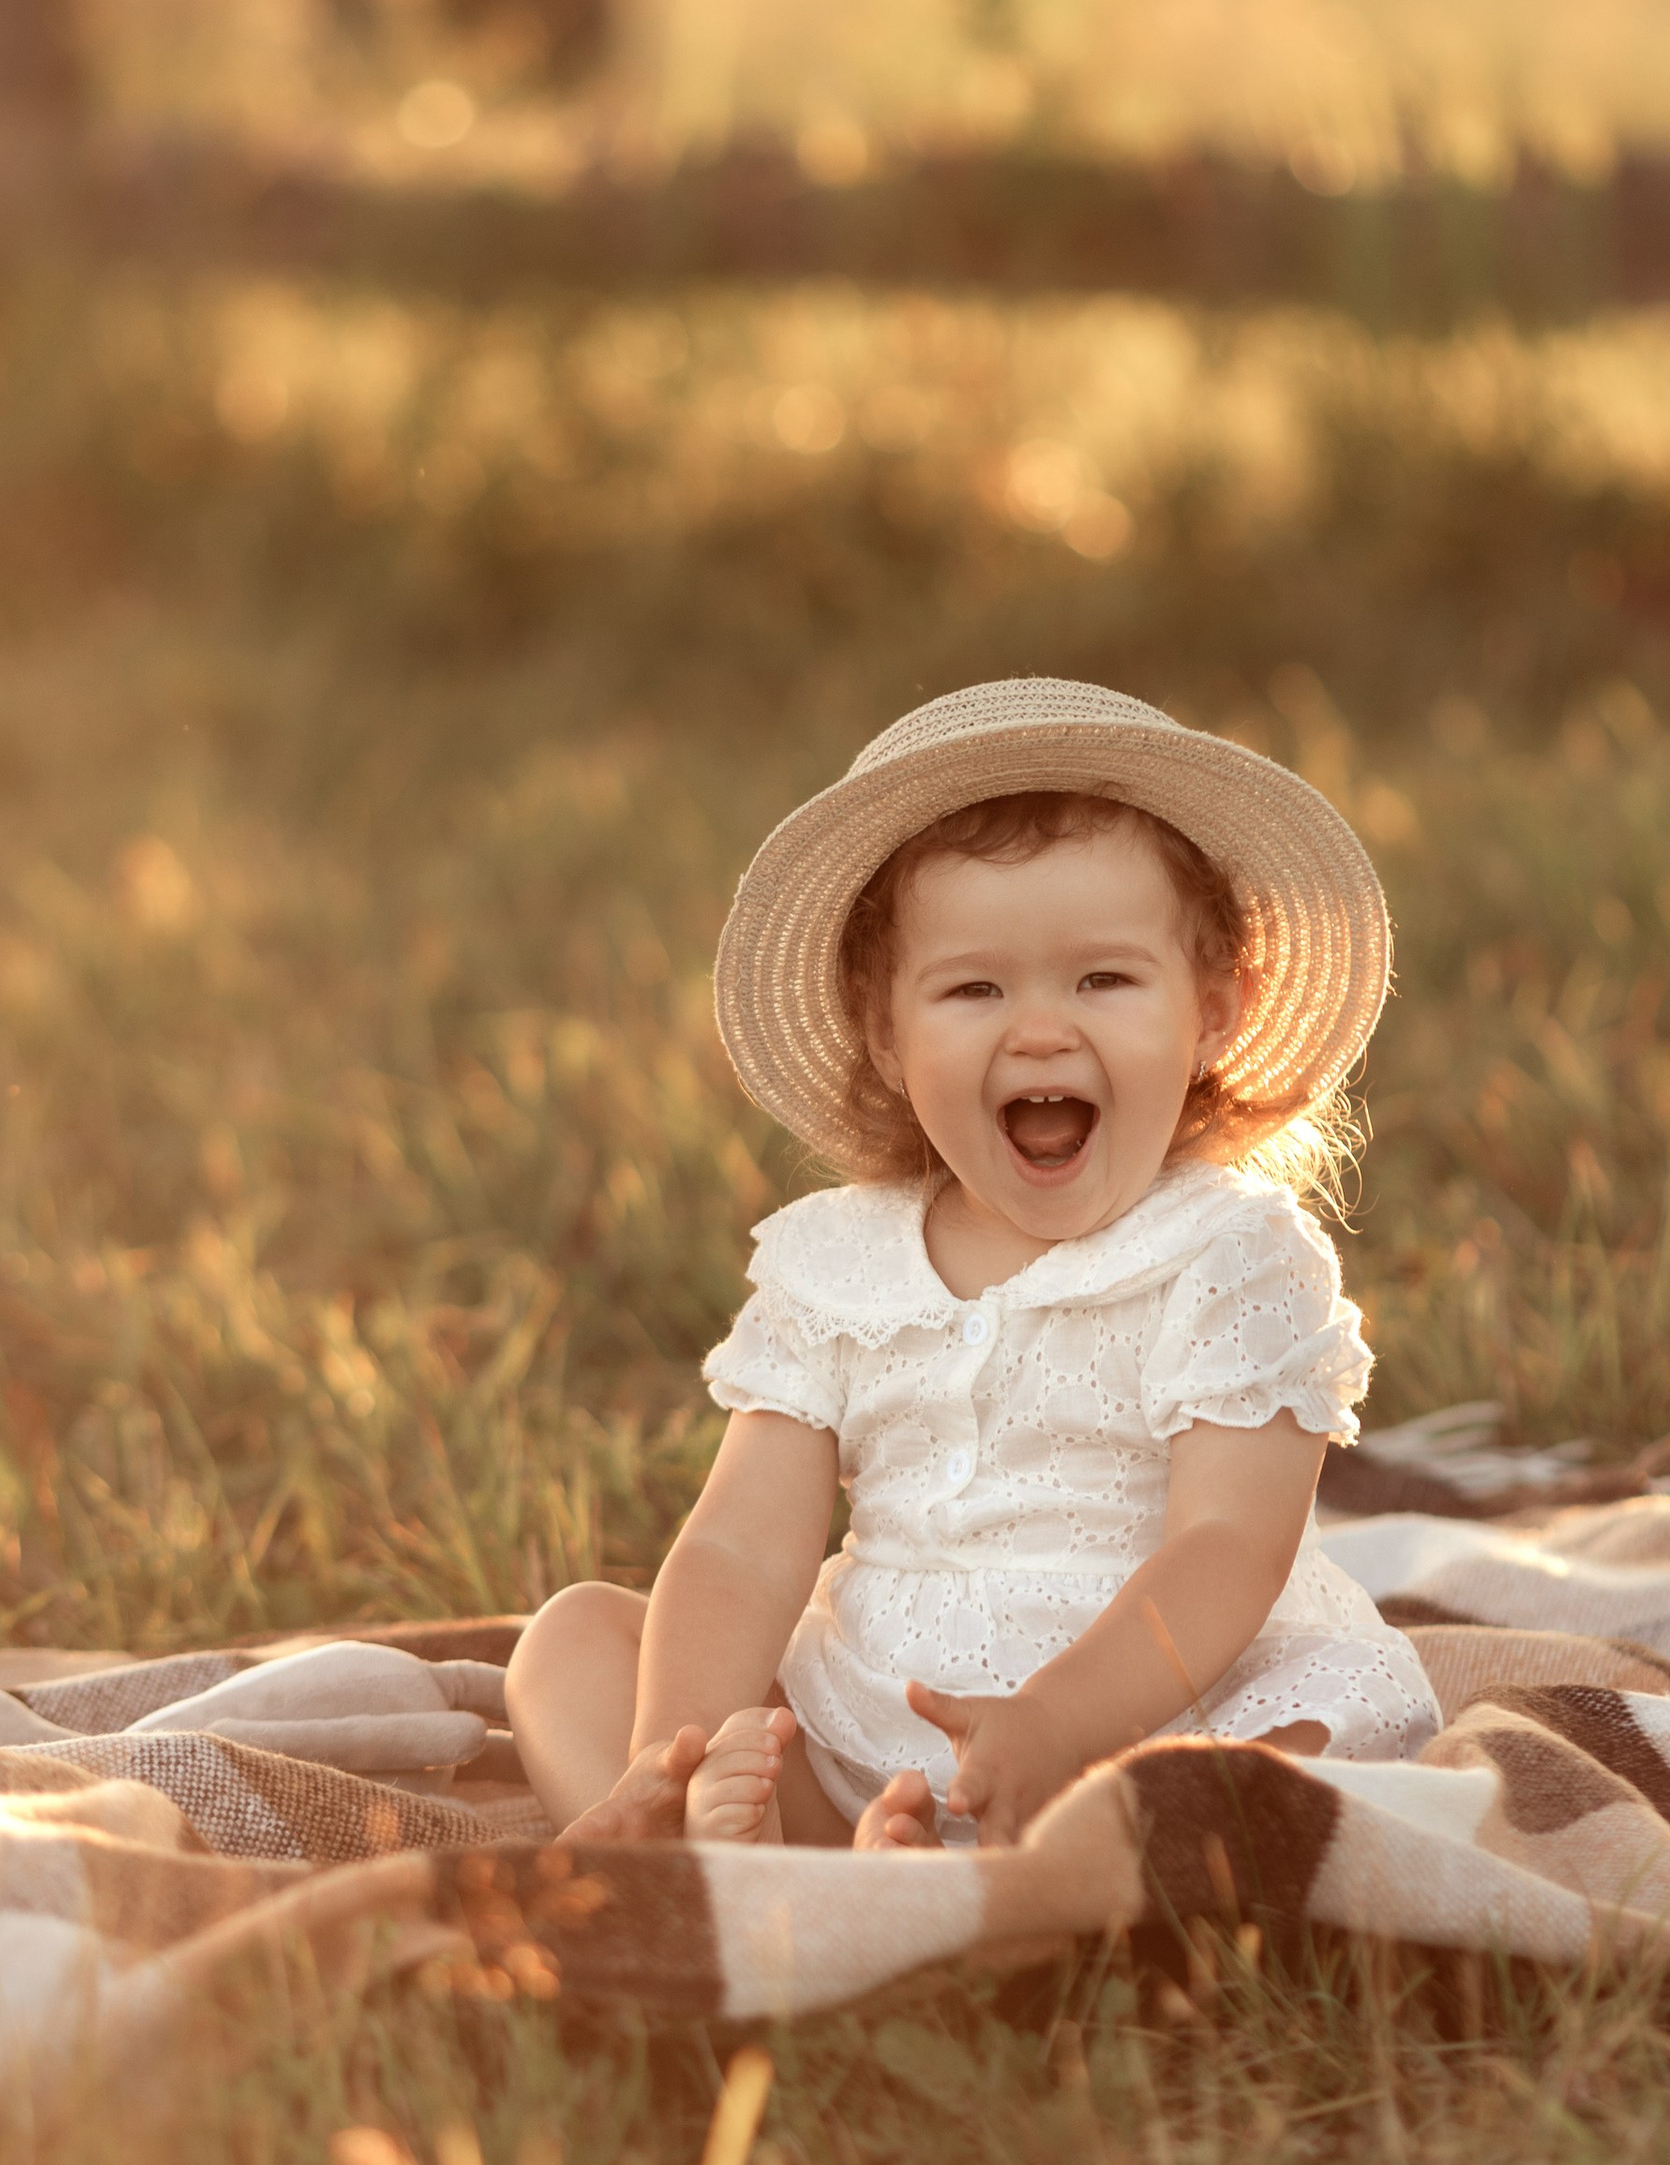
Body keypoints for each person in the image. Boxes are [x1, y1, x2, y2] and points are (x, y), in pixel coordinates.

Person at [505, 677, 1439, 1854]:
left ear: (1212, 1010)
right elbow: (742, 1546)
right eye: (974, 988)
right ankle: (712, 1841)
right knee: (573, 1641)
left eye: (1102, 979)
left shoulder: (1229, 1253)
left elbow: (1227, 1549)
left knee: (1275, 1775)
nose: (1039, 1029)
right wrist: (675, 1747)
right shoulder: (836, 1267)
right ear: (885, 1033)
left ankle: (969, 1885)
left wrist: (1056, 1725)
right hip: (867, 1723)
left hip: (1148, 1716)